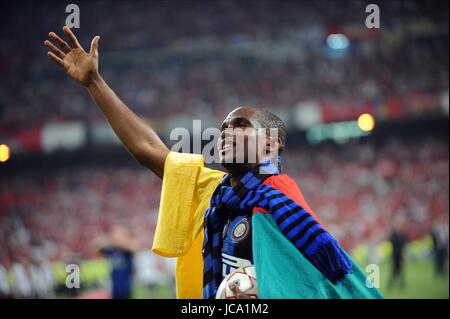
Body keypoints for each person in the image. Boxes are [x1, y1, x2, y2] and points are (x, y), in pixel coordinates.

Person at [44, 27, 382, 299]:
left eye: (240, 126)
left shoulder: (279, 194)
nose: (225, 133)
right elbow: (147, 147)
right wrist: (94, 83)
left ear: (271, 142)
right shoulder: (213, 191)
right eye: (222, 128)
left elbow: (313, 281)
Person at [95, 226, 139, 299]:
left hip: (126, 286)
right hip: (114, 286)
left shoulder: (126, 250)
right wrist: (109, 241)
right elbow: (96, 247)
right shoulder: (111, 250)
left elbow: (135, 248)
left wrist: (121, 240)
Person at [388, 218, 408, 289]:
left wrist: (403, 255)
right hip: (394, 255)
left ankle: (401, 285)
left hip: (400, 255)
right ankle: (391, 285)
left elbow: (404, 243)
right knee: (394, 271)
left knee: (400, 271)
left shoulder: (401, 234)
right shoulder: (393, 234)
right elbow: (390, 240)